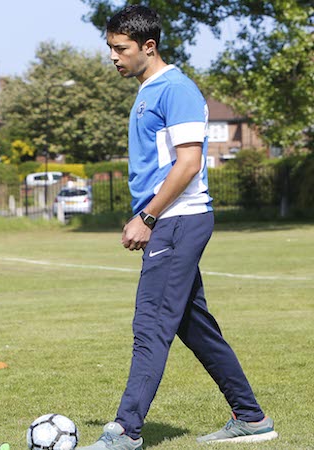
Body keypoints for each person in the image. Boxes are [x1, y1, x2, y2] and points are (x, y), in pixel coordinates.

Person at [79, 6, 277, 450]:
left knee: (150, 324)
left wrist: (147, 216)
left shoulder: (177, 89)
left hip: (177, 220)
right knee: (194, 325)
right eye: (110, 47)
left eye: (120, 48)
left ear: (148, 46)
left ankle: (125, 431)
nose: (113, 56)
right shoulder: (148, 89)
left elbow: (189, 164)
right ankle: (252, 418)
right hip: (171, 221)